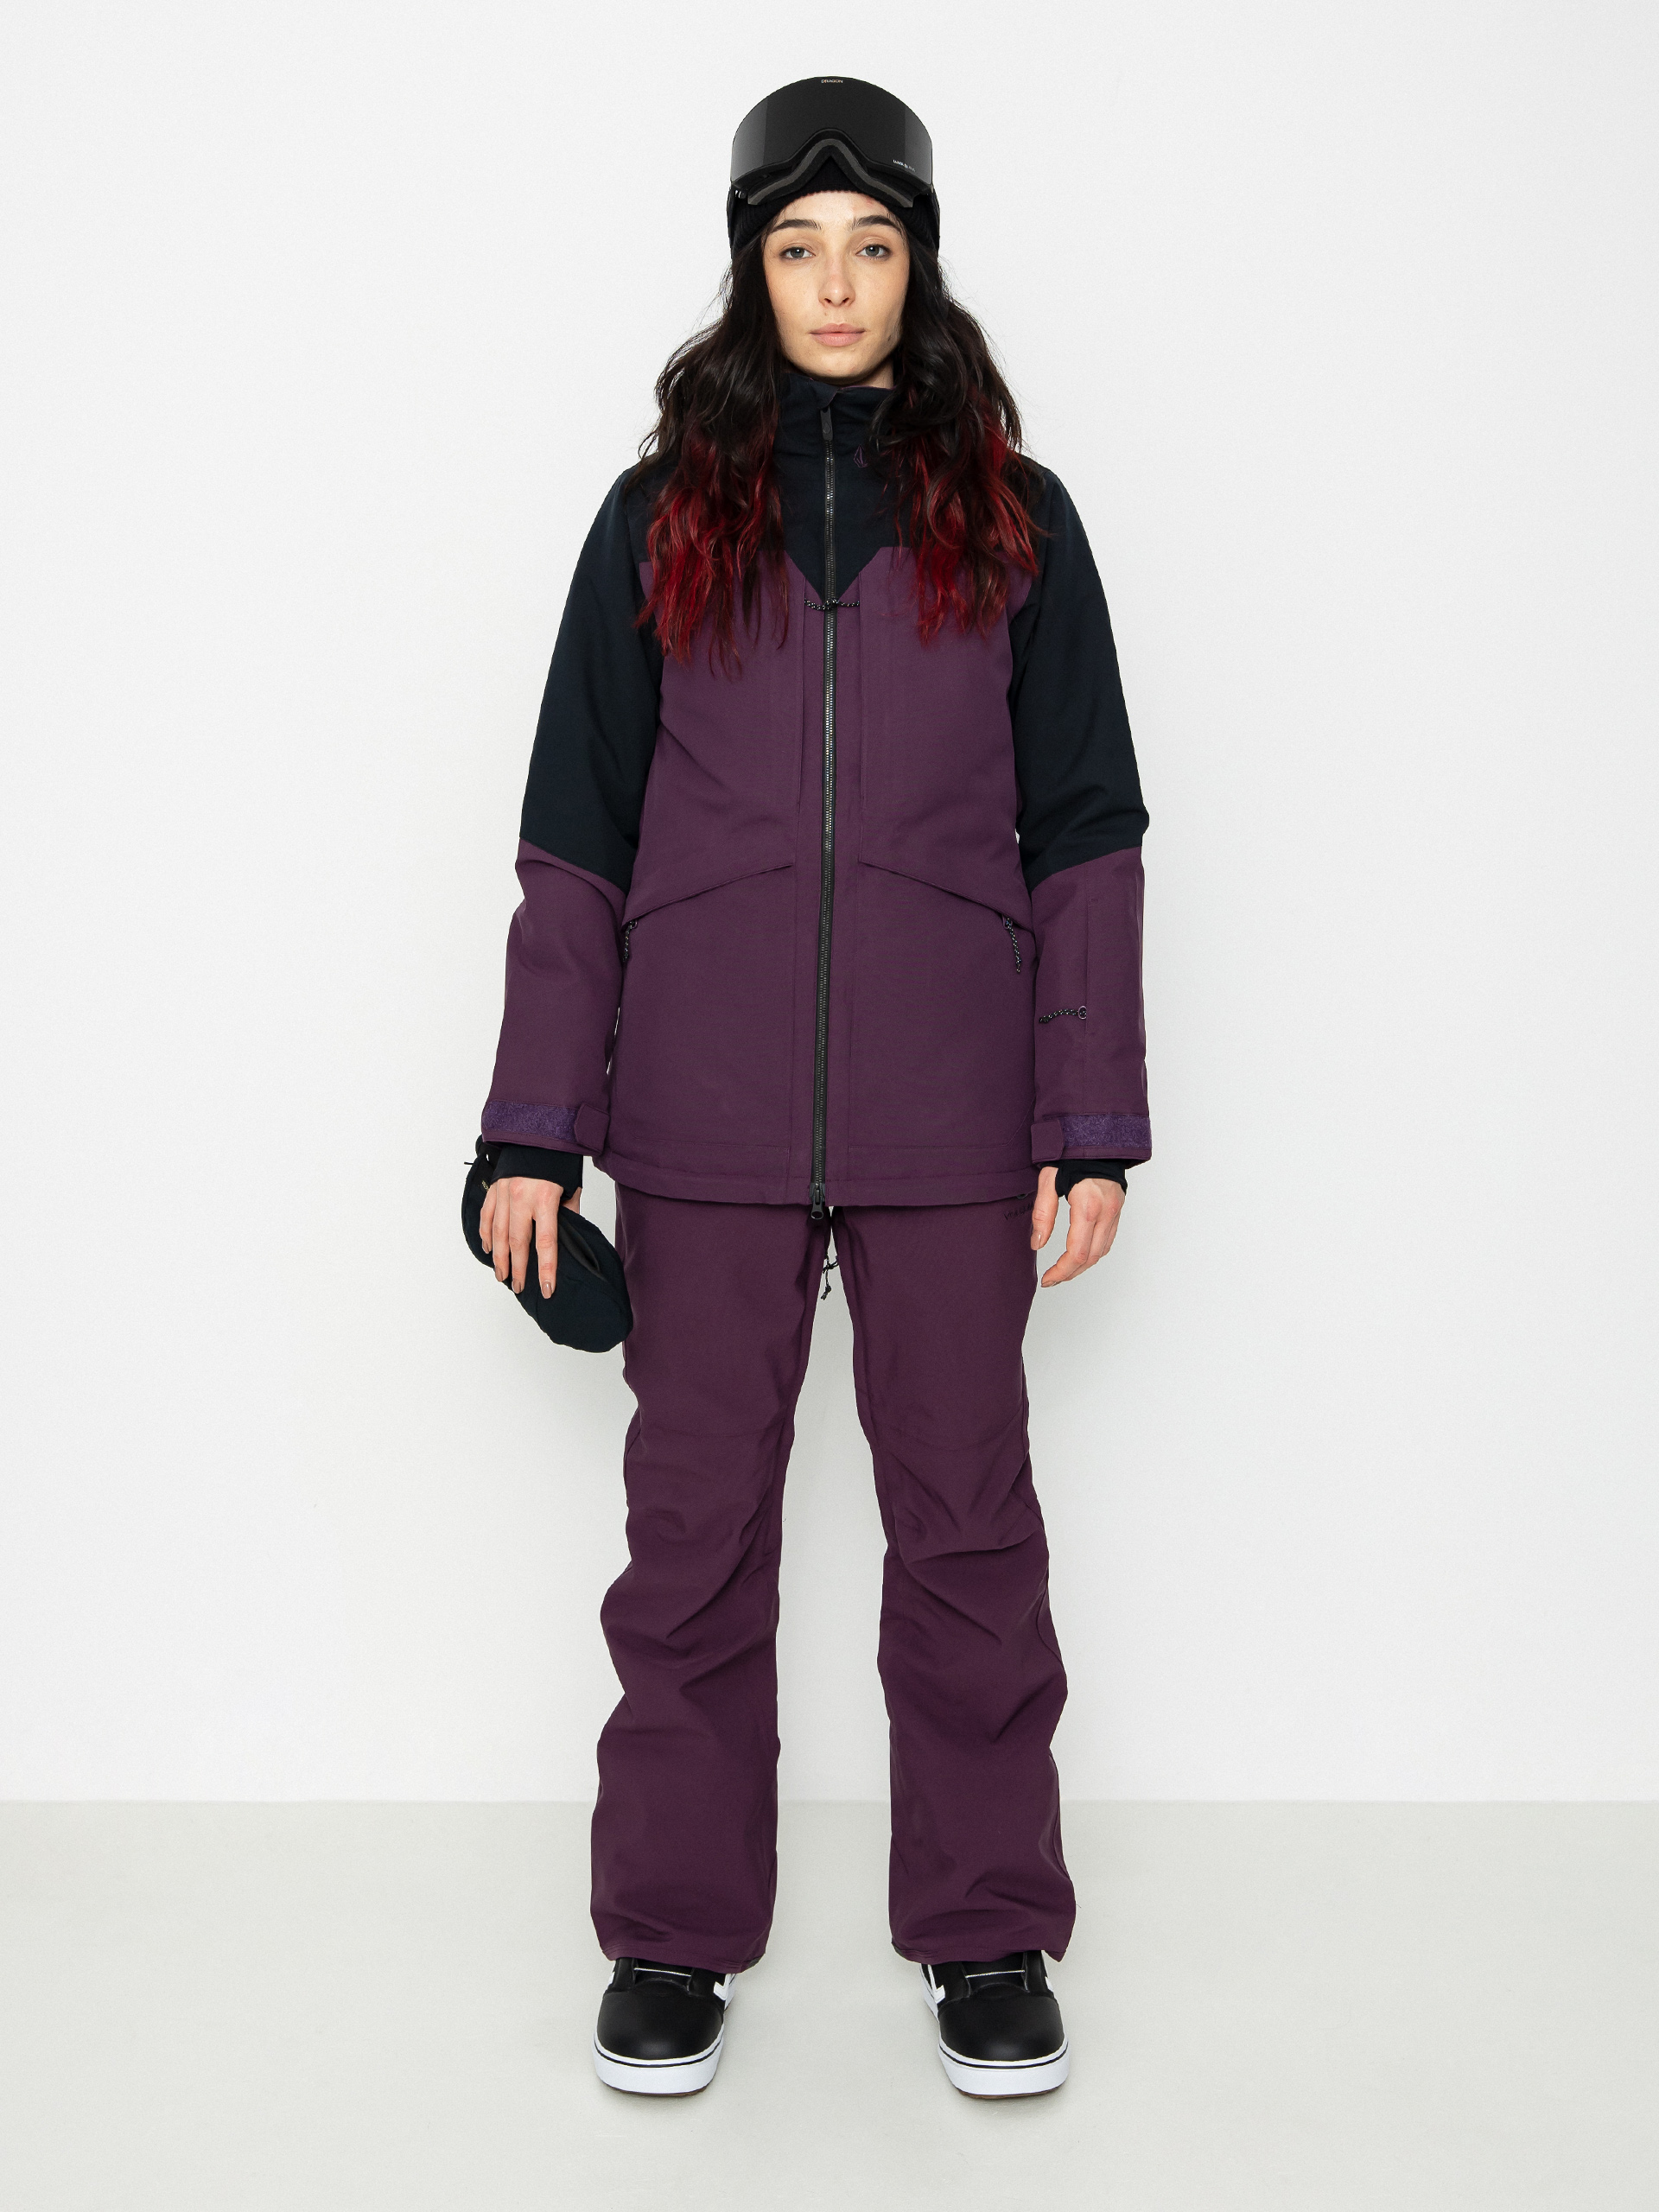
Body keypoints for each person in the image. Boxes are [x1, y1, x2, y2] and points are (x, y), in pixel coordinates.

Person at [474, 75, 1150, 2099]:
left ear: (917, 265)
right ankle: (672, 1934)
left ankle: (988, 1927)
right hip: (703, 1110)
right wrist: (532, 1129)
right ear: (751, 268)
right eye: (798, 248)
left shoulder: (1019, 523)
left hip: (954, 1110)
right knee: (690, 1536)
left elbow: (1088, 833)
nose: (837, 283)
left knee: (968, 1529)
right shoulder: (657, 519)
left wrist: (1089, 1117)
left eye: (871, 245)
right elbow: (574, 839)